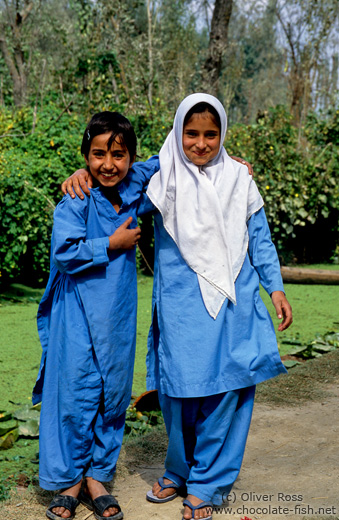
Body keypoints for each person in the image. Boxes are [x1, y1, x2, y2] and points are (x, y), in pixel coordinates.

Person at [62, 93, 293, 520]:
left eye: (211, 134)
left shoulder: (240, 179)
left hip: (231, 304)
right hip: (180, 309)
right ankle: (178, 470)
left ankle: (207, 483)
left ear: (223, 135)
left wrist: (275, 287)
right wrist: (85, 173)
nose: (201, 143)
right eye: (191, 133)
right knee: (177, 394)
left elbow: (260, 237)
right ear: (177, 133)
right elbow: (116, 183)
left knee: (224, 393)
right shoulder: (162, 180)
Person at [32, 111, 159, 520]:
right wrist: (113, 242)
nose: (108, 164)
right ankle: (69, 479)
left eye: (118, 155)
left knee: (113, 395)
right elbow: (66, 252)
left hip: (118, 315)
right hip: (78, 314)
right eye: (97, 154)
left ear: (130, 157)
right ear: (85, 155)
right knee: (74, 393)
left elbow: (175, 156)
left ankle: (98, 477)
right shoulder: (76, 197)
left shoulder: (136, 184)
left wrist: (229, 159)